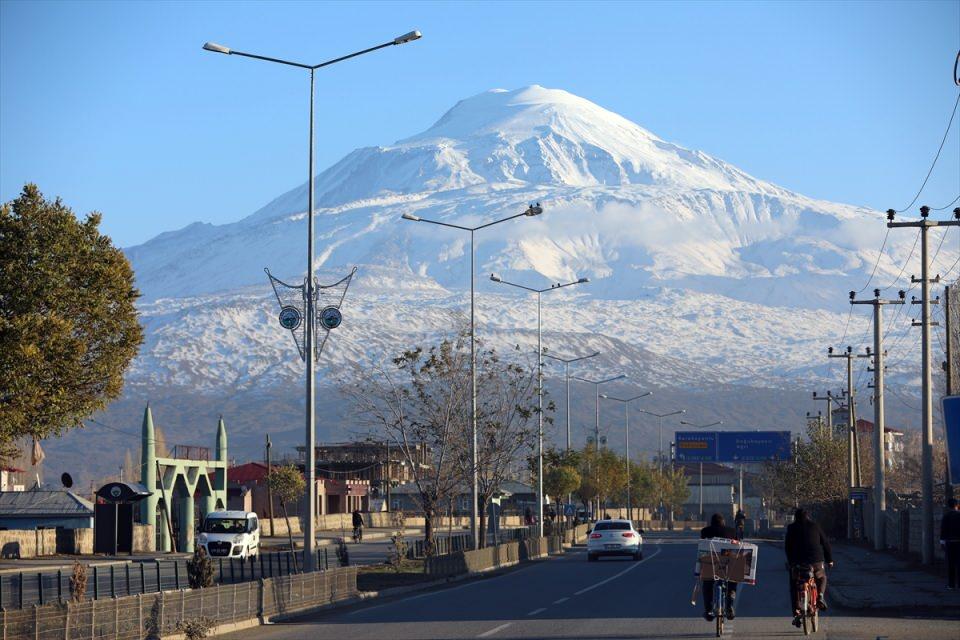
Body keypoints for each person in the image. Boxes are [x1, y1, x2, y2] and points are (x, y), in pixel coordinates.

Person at [784, 508, 833, 627]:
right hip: (816, 562)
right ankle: (820, 596)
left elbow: (787, 547)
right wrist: (829, 560)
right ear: (808, 516)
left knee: (794, 585)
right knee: (821, 577)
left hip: (798, 564)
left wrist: (791, 563)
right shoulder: (815, 526)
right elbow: (825, 543)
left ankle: (796, 612)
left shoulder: (791, 528)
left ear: (796, 517)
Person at [700, 513, 739, 621]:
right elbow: (737, 546)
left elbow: (703, 548)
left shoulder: (705, 531)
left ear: (711, 523)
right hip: (726, 563)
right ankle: (730, 602)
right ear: (723, 522)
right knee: (732, 580)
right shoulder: (732, 531)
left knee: (707, 584)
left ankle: (708, 610)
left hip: (711, 563)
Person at [940, 498, 960, 590]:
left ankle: (951, 585)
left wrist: (942, 542)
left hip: (950, 543)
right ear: (957, 505)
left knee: (951, 564)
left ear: (948, 506)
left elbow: (943, 530)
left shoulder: (946, 516)